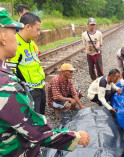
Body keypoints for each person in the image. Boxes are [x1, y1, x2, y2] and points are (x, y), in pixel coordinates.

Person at [0, 7, 90, 156]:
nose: (16, 36)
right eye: (14, 32)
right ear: (3, 36)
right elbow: (35, 131)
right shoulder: (6, 85)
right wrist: (76, 137)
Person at [6, 12, 46, 115]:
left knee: (41, 117)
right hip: (30, 91)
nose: (39, 33)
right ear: (28, 27)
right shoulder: (15, 45)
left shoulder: (32, 44)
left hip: (40, 87)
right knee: (34, 121)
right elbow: (11, 73)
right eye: (37, 30)